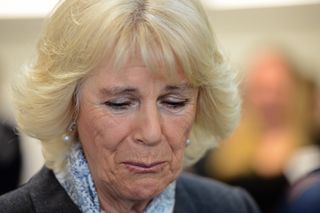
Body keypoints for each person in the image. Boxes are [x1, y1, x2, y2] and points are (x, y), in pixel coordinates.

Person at [0, 0, 260, 212]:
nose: (151, 133)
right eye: (120, 103)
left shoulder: (232, 207)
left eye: (174, 102)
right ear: (68, 108)